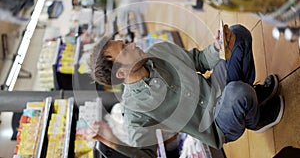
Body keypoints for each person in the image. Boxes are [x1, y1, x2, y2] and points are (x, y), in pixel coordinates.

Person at [87, 24, 284, 157]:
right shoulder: (134, 111)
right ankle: (257, 119)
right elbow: (145, 155)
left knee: (238, 33)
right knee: (238, 93)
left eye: (125, 42)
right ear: (121, 73)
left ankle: (252, 100)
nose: (132, 44)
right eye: (125, 49)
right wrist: (112, 142)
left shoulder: (159, 50)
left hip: (216, 87)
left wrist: (218, 48)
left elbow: (198, 60)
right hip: (216, 126)